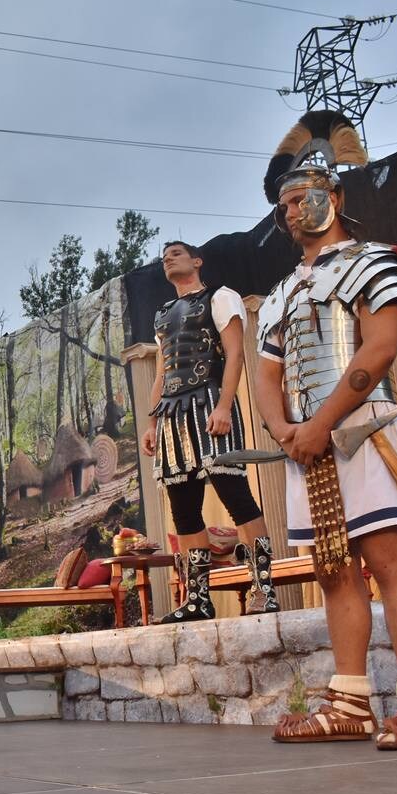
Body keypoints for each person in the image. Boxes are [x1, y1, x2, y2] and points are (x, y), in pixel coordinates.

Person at [254, 111, 397, 750]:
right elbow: (266, 375)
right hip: (305, 450)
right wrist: (285, 430)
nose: (289, 209)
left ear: (333, 195)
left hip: (361, 430)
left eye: (301, 193)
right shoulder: (277, 295)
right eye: (282, 201)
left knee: (387, 559)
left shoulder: (373, 262)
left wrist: (321, 425)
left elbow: (378, 350)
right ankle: (352, 700)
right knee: (333, 569)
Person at [142, 240, 279, 620]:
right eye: (164, 257)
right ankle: (197, 600)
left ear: (197, 261)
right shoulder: (162, 315)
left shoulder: (221, 297)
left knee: (235, 495)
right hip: (171, 414)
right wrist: (151, 422)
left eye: (176, 254)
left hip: (208, 404)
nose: (168, 259)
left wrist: (223, 406)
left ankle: (262, 589)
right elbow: (161, 373)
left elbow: (235, 353)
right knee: (183, 511)